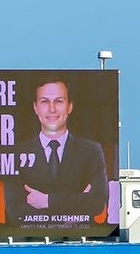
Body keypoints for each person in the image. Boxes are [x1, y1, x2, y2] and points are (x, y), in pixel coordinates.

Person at [14, 80, 107, 221]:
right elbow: (15, 211)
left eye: (59, 101)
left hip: (80, 236)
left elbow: (96, 203)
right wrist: (77, 202)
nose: (52, 109)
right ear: (35, 107)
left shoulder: (91, 151)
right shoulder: (17, 153)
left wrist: (46, 201)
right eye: (45, 101)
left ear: (69, 107)